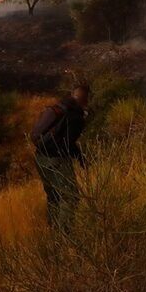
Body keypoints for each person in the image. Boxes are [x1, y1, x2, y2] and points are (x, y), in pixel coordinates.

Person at [29, 84, 90, 227]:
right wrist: (81, 159)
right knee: (70, 197)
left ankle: (53, 232)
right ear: (85, 99)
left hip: (40, 158)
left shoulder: (59, 107)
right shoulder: (76, 117)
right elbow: (68, 143)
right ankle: (64, 237)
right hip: (57, 160)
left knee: (53, 196)